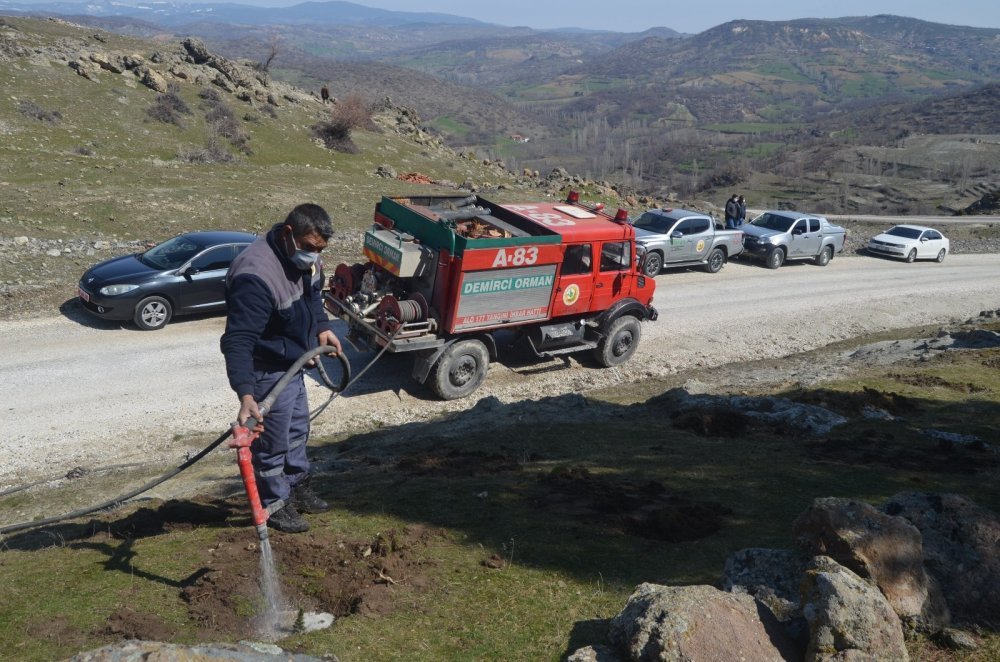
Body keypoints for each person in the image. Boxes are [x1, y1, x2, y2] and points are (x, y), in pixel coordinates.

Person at [220, 203, 342, 533]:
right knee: (271, 445)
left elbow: (313, 293)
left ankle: (296, 487)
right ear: (289, 234)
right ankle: (274, 504)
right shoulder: (255, 276)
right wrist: (246, 393)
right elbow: (238, 340)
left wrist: (321, 325)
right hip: (267, 372)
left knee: (297, 432)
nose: (313, 256)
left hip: (293, 366)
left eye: (320, 250)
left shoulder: (308, 256)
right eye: (309, 248)